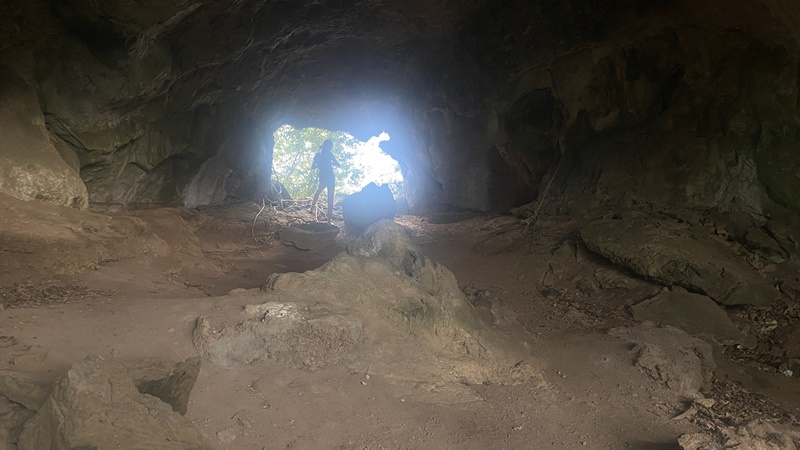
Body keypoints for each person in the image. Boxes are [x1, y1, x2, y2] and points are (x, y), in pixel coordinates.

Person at [310, 139, 340, 221]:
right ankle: (329, 221)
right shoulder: (330, 155)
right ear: (329, 148)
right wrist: (331, 163)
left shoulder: (318, 156)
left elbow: (312, 167)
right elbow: (338, 165)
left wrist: (318, 165)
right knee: (330, 198)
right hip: (330, 178)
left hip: (323, 178)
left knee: (318, 191)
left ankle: (312, 209)